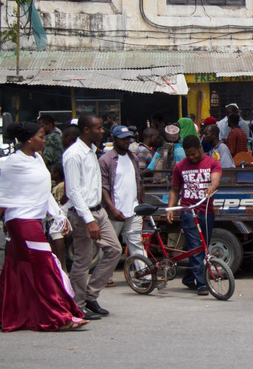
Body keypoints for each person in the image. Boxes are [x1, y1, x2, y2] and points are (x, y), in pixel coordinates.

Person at [0, 122, 87, 332]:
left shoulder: (37, 159)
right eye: (41, 136)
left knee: (17, 268)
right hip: (21, 221)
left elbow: (44, 191)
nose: (45, 139)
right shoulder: (11, 163)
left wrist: (58, 215)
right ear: (29, 139)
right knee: (44, 265)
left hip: (33, 220)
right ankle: (58, 315)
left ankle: (13, 315)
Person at [62, 112, 122, 320]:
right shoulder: (73, 154)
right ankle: (77, 305)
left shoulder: (91, 151)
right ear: (86, 130)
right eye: (98, 128)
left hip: (99, 211)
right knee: (83, 260)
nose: (102, 131)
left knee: (114, 250)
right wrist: (88, 220)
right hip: (82, 214)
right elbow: (73, 191)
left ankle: (90, 295)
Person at [167, 135, 222, 296]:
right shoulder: (180, 166)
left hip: (206, 212)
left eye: (193, 153)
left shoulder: (213, 163)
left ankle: (189, 278)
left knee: (203, 247)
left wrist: (212, 187)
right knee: (195, 246)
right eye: (187, 154)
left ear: (199, 147)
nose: (190, 157)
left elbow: (216, 179)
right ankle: (202, 283)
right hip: (188, 211)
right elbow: (175, 190)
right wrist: (171, 208)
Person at [99, 125, 146, 288]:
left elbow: (138, 182)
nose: (127, 141)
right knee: (110, 246)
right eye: (123, 138)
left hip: (133, 209)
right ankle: (105, 277)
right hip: (114, 211)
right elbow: (104, 187)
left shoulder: (133, 158)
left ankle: (143, 274)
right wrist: (112, 209)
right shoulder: (106, 160)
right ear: (114, 139)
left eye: (128, 138)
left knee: (136, 243)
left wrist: (142, 205)